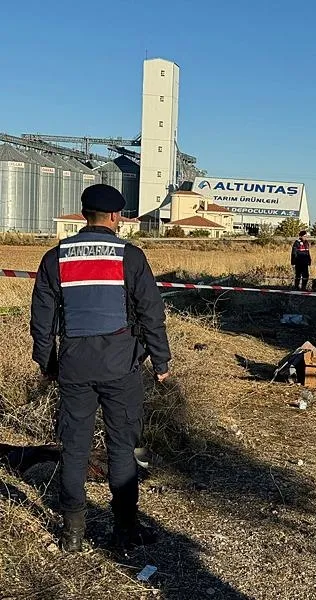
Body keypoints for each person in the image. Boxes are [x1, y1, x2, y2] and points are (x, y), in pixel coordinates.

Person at [30, 184, 171, 553]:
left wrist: (47, 363)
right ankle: (124, 530)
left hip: (74, 367)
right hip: (120, 366)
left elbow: (42, 320)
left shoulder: (54, 258)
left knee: (74, 449)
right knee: (122, 449)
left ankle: (72, 533)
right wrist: (161, 361)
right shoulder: (130, 256)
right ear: (114, 216)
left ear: (83, 214)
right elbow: (150, 313)